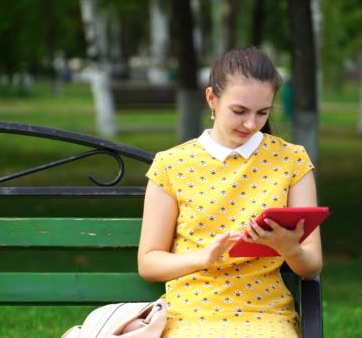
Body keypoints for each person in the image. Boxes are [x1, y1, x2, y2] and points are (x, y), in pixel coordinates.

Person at [137, 47, 322, 338]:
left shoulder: (291, 161)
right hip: (190, 313)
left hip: (266, 314)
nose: (251, 124)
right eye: (239, 111)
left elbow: (311, 266)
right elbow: (148, 262)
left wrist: (288, 247)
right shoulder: (172, 165)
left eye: (262, 113)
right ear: (212, 98)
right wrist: (203, 258)